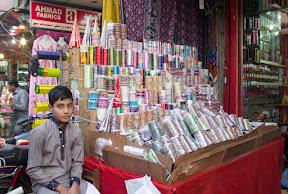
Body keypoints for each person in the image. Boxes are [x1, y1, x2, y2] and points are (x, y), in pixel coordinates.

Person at [27, 86, 99, 194]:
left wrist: (75, 186)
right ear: (50, 108)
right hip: (46, 184)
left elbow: (77, 163)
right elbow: (33, 169)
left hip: (70, 181)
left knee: (93, 192)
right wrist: (59, 188)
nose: (66, 111)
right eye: (60, 106)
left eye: (69, 106)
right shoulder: (39, 132)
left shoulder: (76, 132)